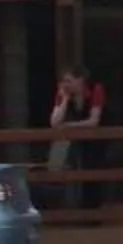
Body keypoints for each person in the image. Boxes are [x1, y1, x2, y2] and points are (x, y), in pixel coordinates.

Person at [47, 64, 103, 208]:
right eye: (64, 81)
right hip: (68, 140)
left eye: (69, 80)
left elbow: (93, 121)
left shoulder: (95, 89)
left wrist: (68, 126)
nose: (66, 84)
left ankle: (92, 212)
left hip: (93, 139)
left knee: (91, 171)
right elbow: (54, 121)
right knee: (61, 167)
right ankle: (66, 207)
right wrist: (65, 99)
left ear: (80, 80)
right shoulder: (63, 92)